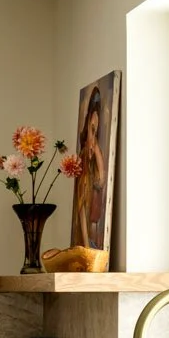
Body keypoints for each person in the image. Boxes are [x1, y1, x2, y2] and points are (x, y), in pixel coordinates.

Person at [71, 86, 107, 250]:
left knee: (85, 209)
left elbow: (101, 180)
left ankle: (87, 246)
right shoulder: (83, 160)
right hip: (86, 169)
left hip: (87, 170)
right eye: (91, 129)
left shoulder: (92, 156)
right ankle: (86, 246)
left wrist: (96, 149)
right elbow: (95, 146)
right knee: (83, 208)